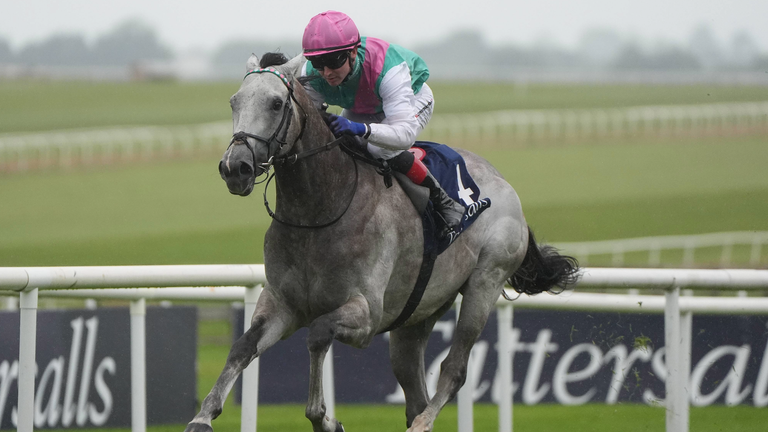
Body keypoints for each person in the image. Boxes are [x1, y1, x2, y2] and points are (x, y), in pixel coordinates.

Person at [300, 10, 465, 233]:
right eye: (318, 62)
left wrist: (360, 129)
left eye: (333, 61)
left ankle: (442, 199)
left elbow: (404, 134)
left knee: (377, 148)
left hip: (411, 100)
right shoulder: (311, 74)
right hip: (363, 106)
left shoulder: (389, 69)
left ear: (353, 51)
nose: (326, 72)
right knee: (339, 145)